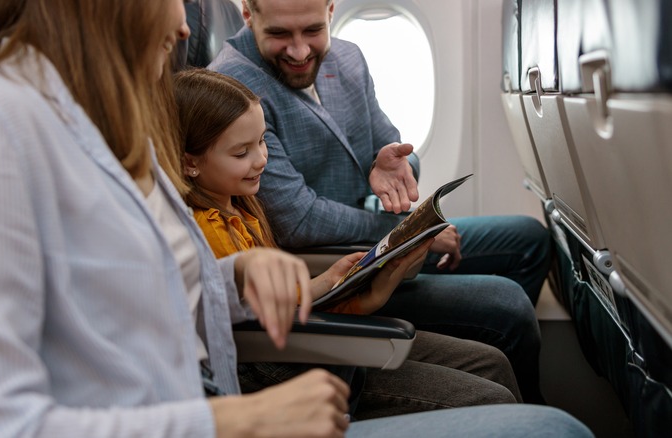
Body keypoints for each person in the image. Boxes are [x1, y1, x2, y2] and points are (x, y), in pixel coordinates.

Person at [0, 0, 594, 437]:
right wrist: (234, 421)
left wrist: (238, 274)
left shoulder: (108, 122)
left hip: (222, 394)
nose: (182, 25)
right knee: (553, 432)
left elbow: (143, 294)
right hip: (221, 413)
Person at [209, 0, 550, 404]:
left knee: (529, 239)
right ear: (249, 16)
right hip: (334, 257)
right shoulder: (234, 87)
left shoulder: (349, 58)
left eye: (313, 31)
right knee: (506, 307)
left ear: (332, 10)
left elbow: (396, 149)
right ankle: (527, 417)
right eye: (280, 34)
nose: (300, 51)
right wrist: (406, 234)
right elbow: (300, 221)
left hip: (376, 234)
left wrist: (390, 164)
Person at [174, 67, 523, 417]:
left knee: (491, 362)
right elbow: (261, 322)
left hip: (306, 337)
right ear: (190, 163)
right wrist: (359, 302)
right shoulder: (211, 230)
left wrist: (332, 282)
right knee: (492, 395)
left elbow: (276, 300)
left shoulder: (242, 206)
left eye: (262, 141)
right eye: (241, 153)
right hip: (287, 363)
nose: (262, 159)